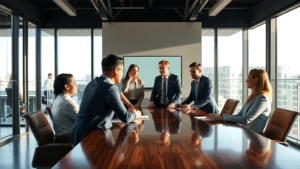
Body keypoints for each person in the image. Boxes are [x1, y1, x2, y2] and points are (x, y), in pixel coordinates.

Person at [71, 54, 141, 145]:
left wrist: (124, 110)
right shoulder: (110, 88)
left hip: (79, 133)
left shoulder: (92, 83)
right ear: (116, 70)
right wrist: (136, 114)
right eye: (122, 71)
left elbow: (101, 108)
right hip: (91, 137)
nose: (122, 73)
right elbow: (126, 118)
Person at [207, 69, 272, 133]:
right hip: (247, 133)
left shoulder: (262, 98)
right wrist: (220, 117)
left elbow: (246, 119)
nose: (246, 80)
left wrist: (221, 118)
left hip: (255, 137)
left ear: (256, 80)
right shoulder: (253, 97)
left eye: (248, 78)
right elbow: (239, 115)